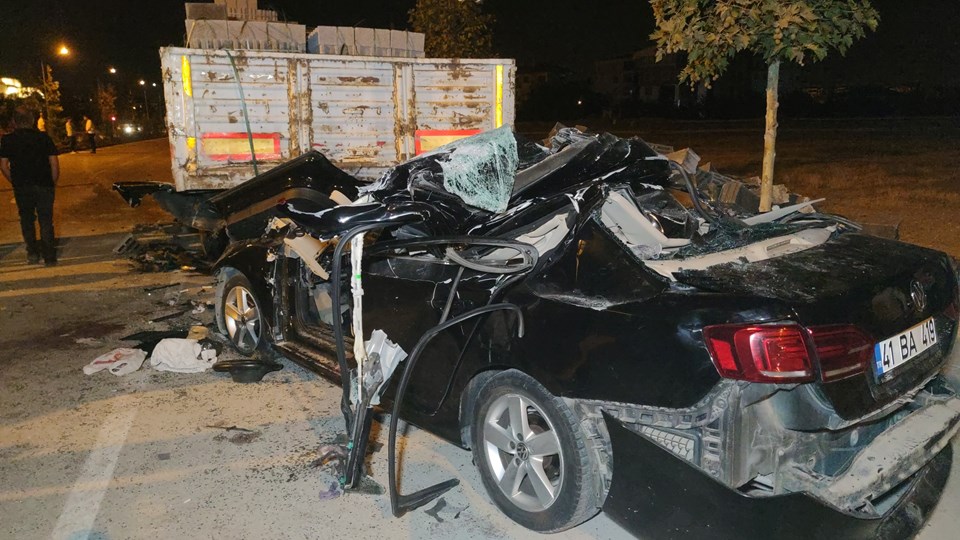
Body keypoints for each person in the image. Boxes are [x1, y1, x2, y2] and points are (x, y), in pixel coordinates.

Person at [0, 108, 60, 265]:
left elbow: (4, 165)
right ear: (32, 120)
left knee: (26, 219)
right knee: (46, 219)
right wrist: (52, 182)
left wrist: (14, 181)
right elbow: (54, 163)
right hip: (44, 183)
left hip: (22, 186)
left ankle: (32, 252)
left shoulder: (8, 140)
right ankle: (49, 256)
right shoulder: (44, 138)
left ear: (14, 121)